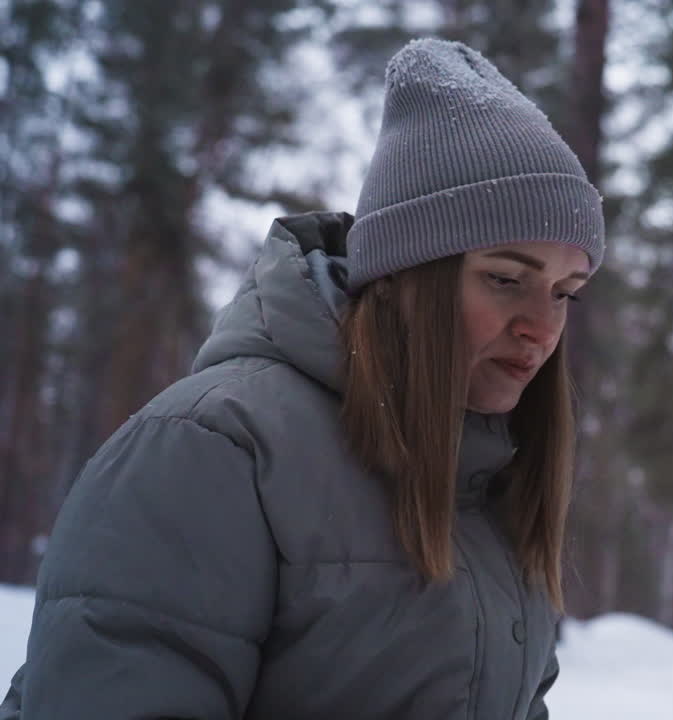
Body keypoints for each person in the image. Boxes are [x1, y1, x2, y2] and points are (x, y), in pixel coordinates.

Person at [0, 37, 605, 720]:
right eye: (505, 279)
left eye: (565, 292)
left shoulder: (489, 480)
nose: (541, 327)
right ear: (406, 277)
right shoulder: (212, 450)